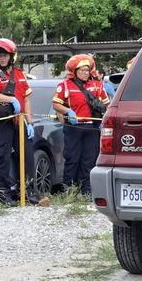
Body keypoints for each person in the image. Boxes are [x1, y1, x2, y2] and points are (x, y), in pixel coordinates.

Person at [0, 38, 39, 205]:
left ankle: (29, 192)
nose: (2, 58)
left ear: (11, 56)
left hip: (20, 121)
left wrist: (30, 122)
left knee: (27, 157)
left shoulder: (20, 75)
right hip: (3, 122)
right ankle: (4, 193)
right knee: (3, 156)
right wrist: (10, 99)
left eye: (5, 55)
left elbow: (27, 100)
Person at [52, 54, 109, 194]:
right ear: (74, 71)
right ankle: (69, 190)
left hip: (92, 128)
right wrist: (68, 111)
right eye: (82, 70)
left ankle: (87, 191)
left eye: (87, 70)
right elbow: (55, 104)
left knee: (89, 160)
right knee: (72, 159)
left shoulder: (97, 85)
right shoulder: (65, 85)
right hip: (74, 128)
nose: (85, 72)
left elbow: (107, 104)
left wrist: (105, 121)